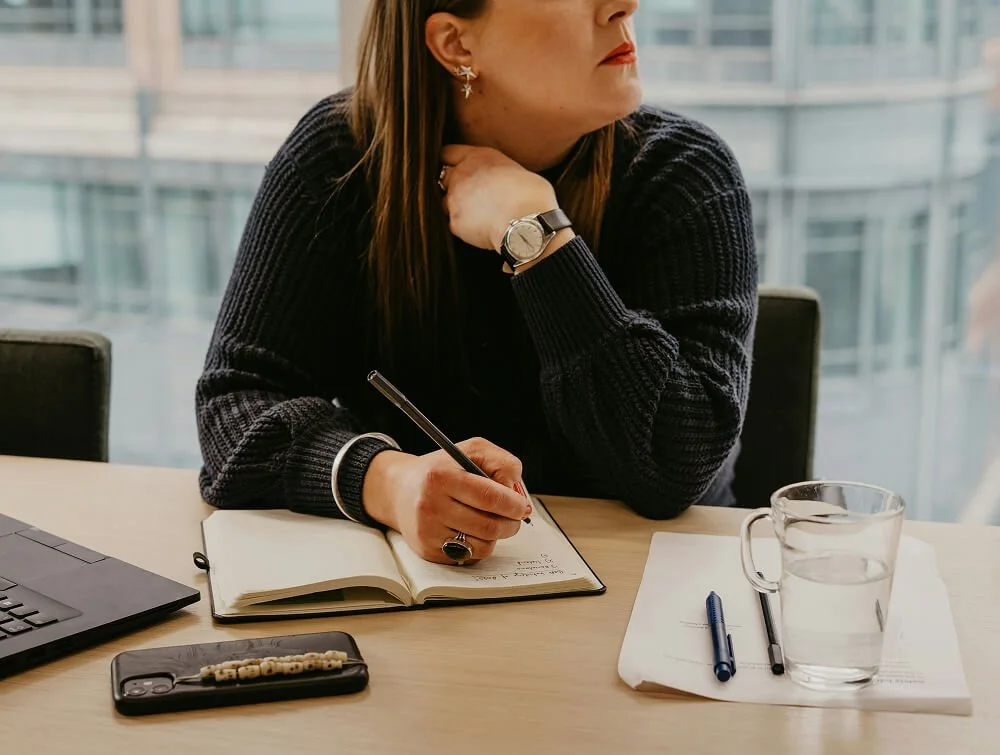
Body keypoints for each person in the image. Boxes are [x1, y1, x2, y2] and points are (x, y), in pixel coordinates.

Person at [195, 0, 758, 565]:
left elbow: (674, 465)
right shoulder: (343, 157)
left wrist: (539, 239)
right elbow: (235, 401)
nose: (623, 5)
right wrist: (387, 481)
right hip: (432, 590)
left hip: (649, 594)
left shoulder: (682, 172)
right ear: (456, 45)